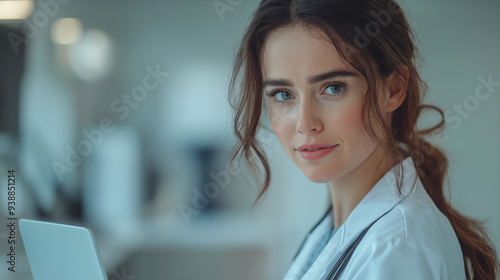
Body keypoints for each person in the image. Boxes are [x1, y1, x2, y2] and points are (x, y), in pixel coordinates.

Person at [227, 0, 499, 279]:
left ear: (393, 89)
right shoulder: (337, 228)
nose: (305, 123)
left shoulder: (397, 250)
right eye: (283, 94)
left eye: (333, 88)